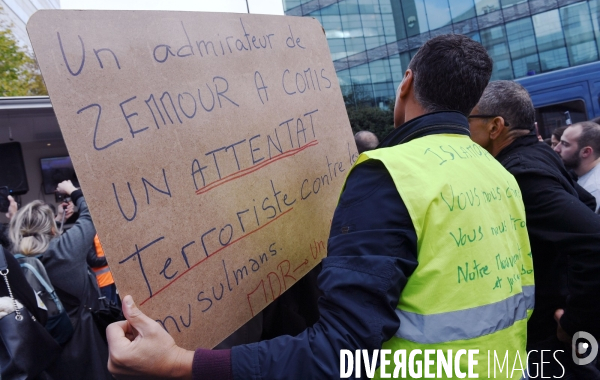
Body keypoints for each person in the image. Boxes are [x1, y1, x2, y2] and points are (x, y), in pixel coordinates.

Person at [107, 34, 534, 379]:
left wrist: (181, 363)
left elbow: (341, 351)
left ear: (406, 82)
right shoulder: (496, 172)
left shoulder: (392, 173)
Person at [468, 80, 600, 377]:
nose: (464, 129)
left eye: (469, 119)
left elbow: (593, 238)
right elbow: (586, 201)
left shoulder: (521, 174)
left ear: (495, 126)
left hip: (550, 337)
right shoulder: (537, 153)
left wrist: (573, 323)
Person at [8, 180, 112, 380]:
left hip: (46, 356)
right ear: (52, 229)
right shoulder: (65, 250)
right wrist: (72, 191)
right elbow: (93, 212)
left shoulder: (13, 264)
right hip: (86, 347)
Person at [554, 121, 600, 211]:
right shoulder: (584, 177)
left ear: (586, 152)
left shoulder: (594, 190)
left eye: (565, 144)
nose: (556, 149)